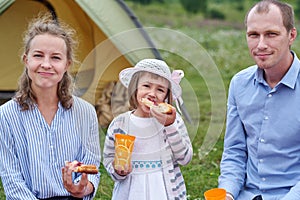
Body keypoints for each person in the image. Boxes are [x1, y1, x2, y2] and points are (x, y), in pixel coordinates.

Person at [0, 13, 101, 199]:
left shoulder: (85, 112)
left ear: (67, 65)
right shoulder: (6, 115)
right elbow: (11, 179)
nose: (46, 64)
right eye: (38, 55)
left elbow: (91, 164)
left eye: (56, 58)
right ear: (26, 60)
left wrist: (83, 189)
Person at [218, 0, 300, 199]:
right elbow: (234, 151)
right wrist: (227, 192)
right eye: (253, 35)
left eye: (271, 34)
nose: (261, 45)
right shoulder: (239, 83)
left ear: (291, 35)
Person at [103, 58, 193, 200]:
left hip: (164, 191)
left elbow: (185, 158)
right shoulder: (120, 124)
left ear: (166, 96)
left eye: (160, 89)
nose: (152, 93)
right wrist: (118, 171)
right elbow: (108, 158)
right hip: (131, 192)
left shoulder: (173, 122)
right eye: (146, 86)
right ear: (135, 88)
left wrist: (170, 126)